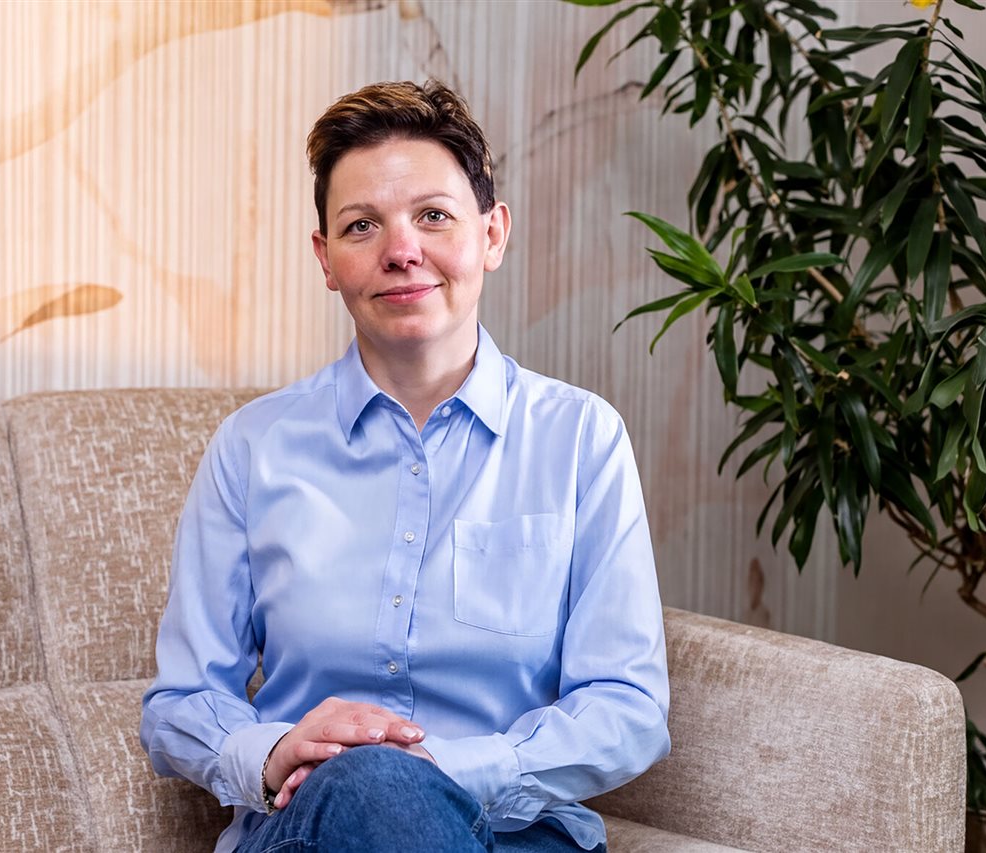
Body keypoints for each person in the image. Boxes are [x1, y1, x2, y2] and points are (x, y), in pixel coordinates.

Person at [140, 80, 670, 853]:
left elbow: (628, 705)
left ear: (492, 233)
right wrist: (276, 751)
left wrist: (446, 768)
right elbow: (180, 702)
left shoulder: (580, 439)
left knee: (393, 786)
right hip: (307, 829)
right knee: (368, 786)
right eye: (362, 225)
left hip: (514, 833)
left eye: (433, 215)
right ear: (326, 258)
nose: (401, 250)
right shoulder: (254, 448)